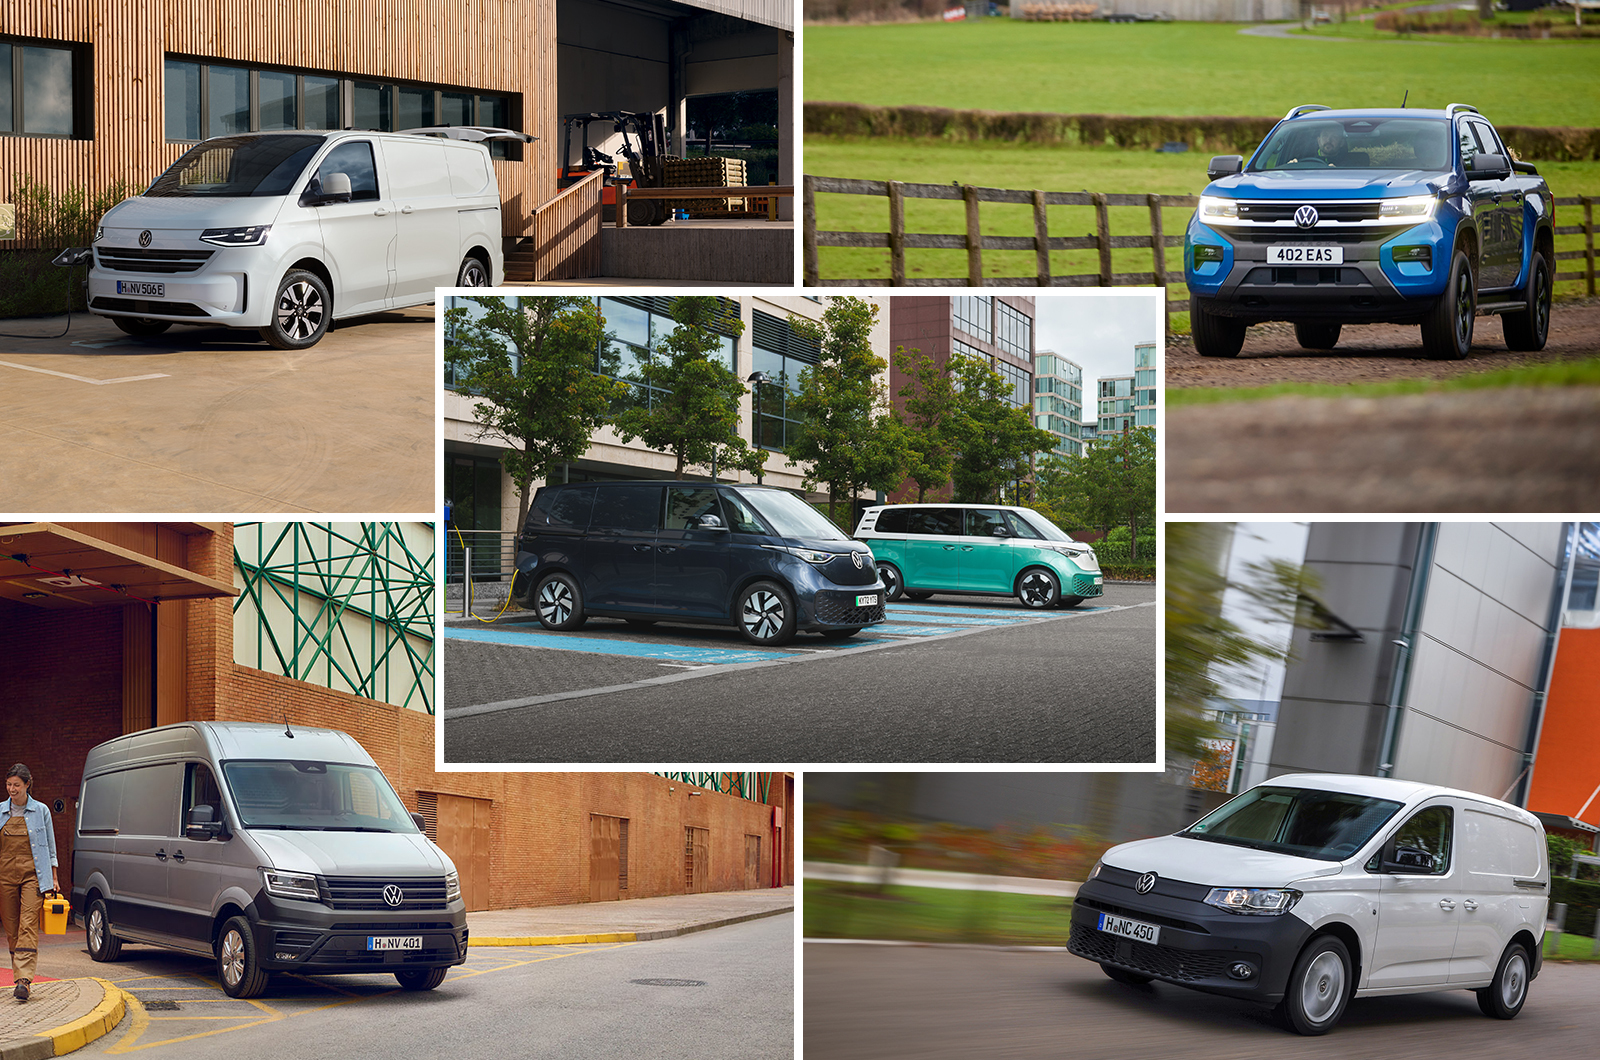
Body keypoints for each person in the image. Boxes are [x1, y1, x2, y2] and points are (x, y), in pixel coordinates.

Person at [2, 764, 58, 1002]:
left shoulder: (41, 811)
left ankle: (23, 980)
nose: (12, 789)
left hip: (33, 875)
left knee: (27, 925)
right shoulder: (1, 811)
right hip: (4, 876)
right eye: (8, 784)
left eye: (16, 785)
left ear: (27, 785)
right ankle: (19, 976)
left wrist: (54, 877)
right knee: (12, 927)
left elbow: (50, 846)